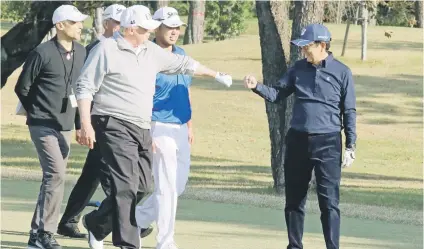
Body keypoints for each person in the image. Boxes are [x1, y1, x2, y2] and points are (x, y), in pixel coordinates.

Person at [75, 5, 232, 249]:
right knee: (126, 183)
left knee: (144, 186)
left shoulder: (150, 51)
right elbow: (84, 87)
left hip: (141, 126)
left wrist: (216, 74)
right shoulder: (106, 49)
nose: (149, 33)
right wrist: (85, 124)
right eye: (144, 29)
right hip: (112, 122)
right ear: (130, 29)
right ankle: (128, 243)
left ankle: (98, 223)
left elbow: (185, 65)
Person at [243, 23, 356, 249]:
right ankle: (294, 246)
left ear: (322, 45)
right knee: (294, 200)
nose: (303, 51)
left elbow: (349, 110)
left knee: (329, 202)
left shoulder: (342, 72)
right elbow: (277, 94)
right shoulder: (298, 69)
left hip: (328, 143)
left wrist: (351, 144)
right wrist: (257, 86)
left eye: (307, 47)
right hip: (298, 140)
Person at [14, 4, 88, 249]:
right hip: (42, 124)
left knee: (51, 178)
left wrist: (80, 125)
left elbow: (80, 92)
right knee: (55, 174)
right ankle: (46, 232)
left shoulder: (82, 52)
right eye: (75, 22)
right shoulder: (42, 52)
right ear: (60, 26)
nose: (80, 26)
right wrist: (37, 114)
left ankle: (36, 235)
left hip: (65, 125)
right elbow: (22, 88)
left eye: (80, 22)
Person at [56, 3, 126, 240]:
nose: (121, 26)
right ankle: (124, 219)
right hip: (98, 119)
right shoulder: (96, 48)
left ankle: (68, 220)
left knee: (93, 174)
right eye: (117, 22)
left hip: (109, 118)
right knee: (109, 172)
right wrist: (81, 122)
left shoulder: (120, 47)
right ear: (106, 23)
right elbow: (80, 88)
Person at [135, 7, 194, 249]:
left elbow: (184, 90)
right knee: (167, 186)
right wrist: (147, 130)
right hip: (158, 124)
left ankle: (133, 220)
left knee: (177, 186)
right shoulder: (147, 55)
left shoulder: (181, 54)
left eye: (177, 27)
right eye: (169, 27)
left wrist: (190, 124)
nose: (174, 32)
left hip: (181, 127)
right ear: (156, 28)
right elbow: (140, 96)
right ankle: (165, 242)